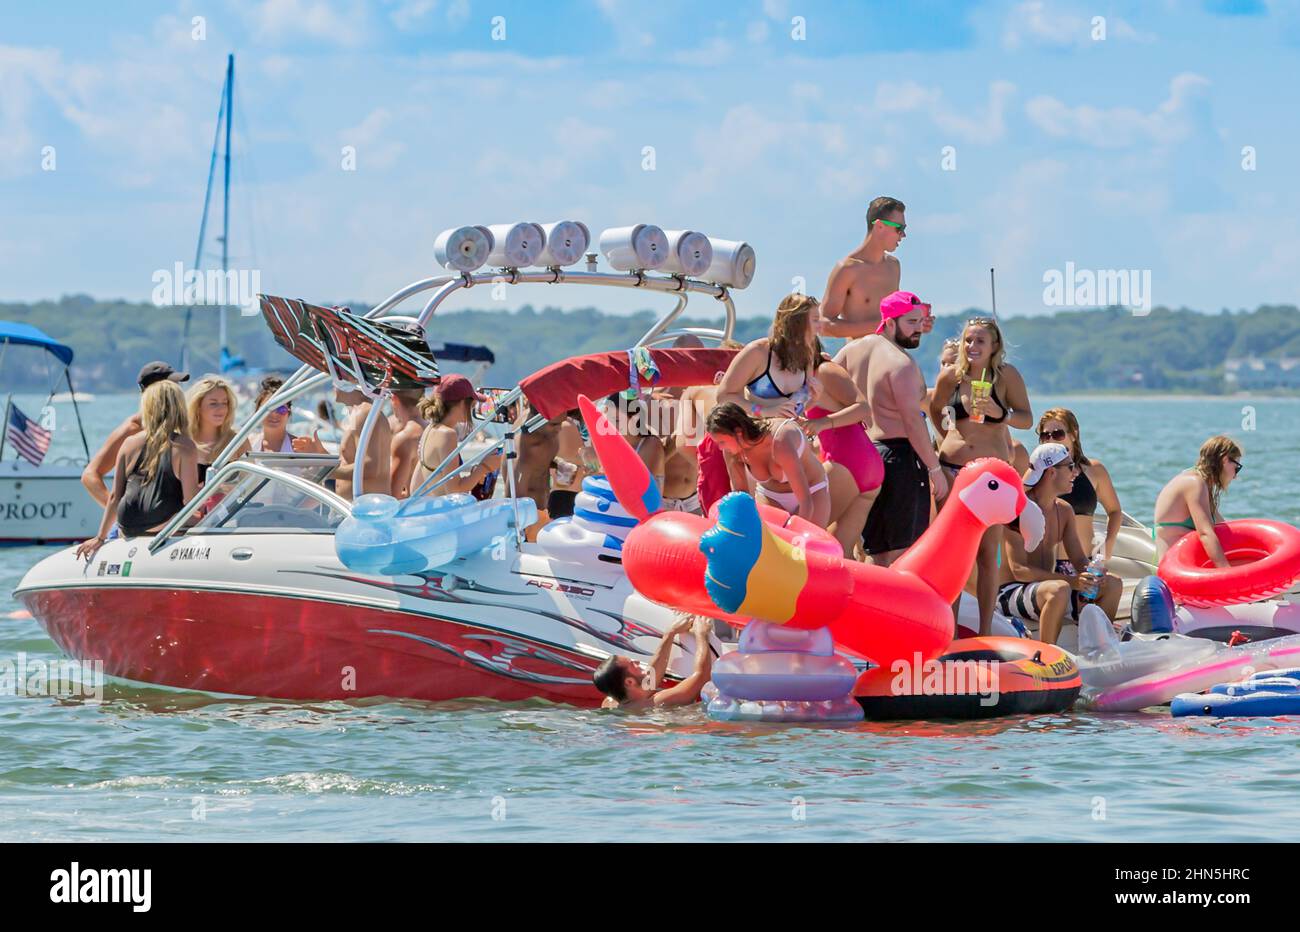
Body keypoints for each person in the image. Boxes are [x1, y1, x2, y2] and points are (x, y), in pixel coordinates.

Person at [929, 317, 1033, 635]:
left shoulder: (1006, 377)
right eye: (968, 340)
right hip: (954, 471)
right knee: (953, 556)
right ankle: (949, 629)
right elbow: (934, 408)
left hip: (990, 478)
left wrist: (1000, 414)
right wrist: (948, 434)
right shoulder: (951, 376)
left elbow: (1027, 419)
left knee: (988, 555)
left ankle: (985, 631)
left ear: (994, 346)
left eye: (980, 341)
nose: (972, 346)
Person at [836, 291, 947, 566]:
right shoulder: (902, 364)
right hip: (901, 460)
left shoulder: (852, 351)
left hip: (865, 455)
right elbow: (913, 422)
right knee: (903, 554)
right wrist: (935, 470)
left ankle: (869, 608)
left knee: (875, 551)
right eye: (911, 323)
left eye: (920, 322)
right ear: (888, 323)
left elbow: (824, 386)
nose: (918, 330)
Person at [999, 443, 1122, 645]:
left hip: (1047, 590)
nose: (1075, 473)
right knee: (1059, 589)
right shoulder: (1018, 508)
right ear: (1052, 472)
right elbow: (1019, 570)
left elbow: (1079, 559)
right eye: (1070, 466)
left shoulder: (1064, 510)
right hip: (1011, 591)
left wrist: (1091, 574)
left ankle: (1099, 649)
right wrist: (1072, 582)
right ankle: (1047, 659)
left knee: (1113, 584)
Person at [75, 380, 199, 558]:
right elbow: (191, 500)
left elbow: (115, 496)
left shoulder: (129, 443)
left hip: (126, 525)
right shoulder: (185, 446)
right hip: (161, 524)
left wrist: (100, 537)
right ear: (179, 408)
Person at [706, 404, 860, 545]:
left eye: (722, 442)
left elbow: (806, 501)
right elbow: (742, 498)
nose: (720, 448)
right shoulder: (732, 453)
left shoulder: (780, 441)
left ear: (738, 433)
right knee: (767, 549)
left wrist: (794, 539)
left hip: (811, 491)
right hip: (770, 495)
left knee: (807, 550)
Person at [819, 196, 929, 338]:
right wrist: (881, 326)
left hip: (891, 355)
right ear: (879, 226)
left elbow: (896, 320)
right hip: (861, 356)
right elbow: (825, 326)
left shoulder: (894, 266)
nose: (903, 235)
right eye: (899, 228)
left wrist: (917, 321)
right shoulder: (847, 269)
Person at [80, 361, 188, 507]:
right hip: (140, 522)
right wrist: (119, 514)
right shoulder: (133, 429)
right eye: (171, 386)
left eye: (177, 386)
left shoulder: (182, 425)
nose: (177, 390)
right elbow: (90, 475)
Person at [1037, 407, 1123, 562]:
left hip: (1086, 563)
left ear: (1074, 435)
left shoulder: (1094, 470)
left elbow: (1115, 511)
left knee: (1114, 583)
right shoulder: (1035, 474)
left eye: (1057, 434)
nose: (1050, 440)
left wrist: (1108, 546)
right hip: (1048, 567)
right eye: (1045, 435)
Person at [716, 293, 821, 419]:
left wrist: (813, 400)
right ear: (797, 323)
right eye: (815, 320)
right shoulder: (757, 352)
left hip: (784, 429)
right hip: (755, 427)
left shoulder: (806, 355)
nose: (820, 326)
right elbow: (723, 396)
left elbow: (794, 409)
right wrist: (764, 411)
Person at [1153, 435, 1243, 566]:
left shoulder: (1202, 483)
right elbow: (1206, 534)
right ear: (1225, 460)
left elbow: (1223, 527)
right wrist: (1227, 571)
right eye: (1237, 468)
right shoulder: (1194, 483)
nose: (1235, 476)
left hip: (1186, 565)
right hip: (1174, 571)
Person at [593, 613, 715, 708]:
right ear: (629, 682)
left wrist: (670, 633)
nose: (637, 662)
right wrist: (702, 634)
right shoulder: (661, 702)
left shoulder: (611, 702)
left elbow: (650, 680)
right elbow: (701, 676)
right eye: (632, 664)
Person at [411, 374, 501, 497]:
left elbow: (415, 487)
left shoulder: (430, 430)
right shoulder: (447, 434)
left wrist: (474, 475)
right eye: (473, 405)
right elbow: (454, 490)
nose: (472, 409)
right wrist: (484, 467)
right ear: (463, 403)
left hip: (430, 511)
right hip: (443, 514)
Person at [333, 383, 394, 500]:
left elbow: (369, 468)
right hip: (360, 508)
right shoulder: (359, 412)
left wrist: (325, 472)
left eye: (338, 378)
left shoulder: (364, 413)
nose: (334, 383)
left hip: (366, 510)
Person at [186, 375, 251, 485]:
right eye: (213, 403)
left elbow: (250, 484)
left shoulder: (237, 440)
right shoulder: (183, 441)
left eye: (225, 403)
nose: (221, 409)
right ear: (197, 406)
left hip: (229, 502)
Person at [247, 376, 328, 454]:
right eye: (268, 409)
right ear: (258, 411)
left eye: (281, 409)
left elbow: (333, 467)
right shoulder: (247, 444)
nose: (274, 414)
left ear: (288, 413)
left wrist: (319, 453)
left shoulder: (300, 447)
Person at [388, 388, 428, 499]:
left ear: (394, 399)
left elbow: (393, 496)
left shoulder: (405, 438)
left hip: (414, 512)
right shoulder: (433, 428)